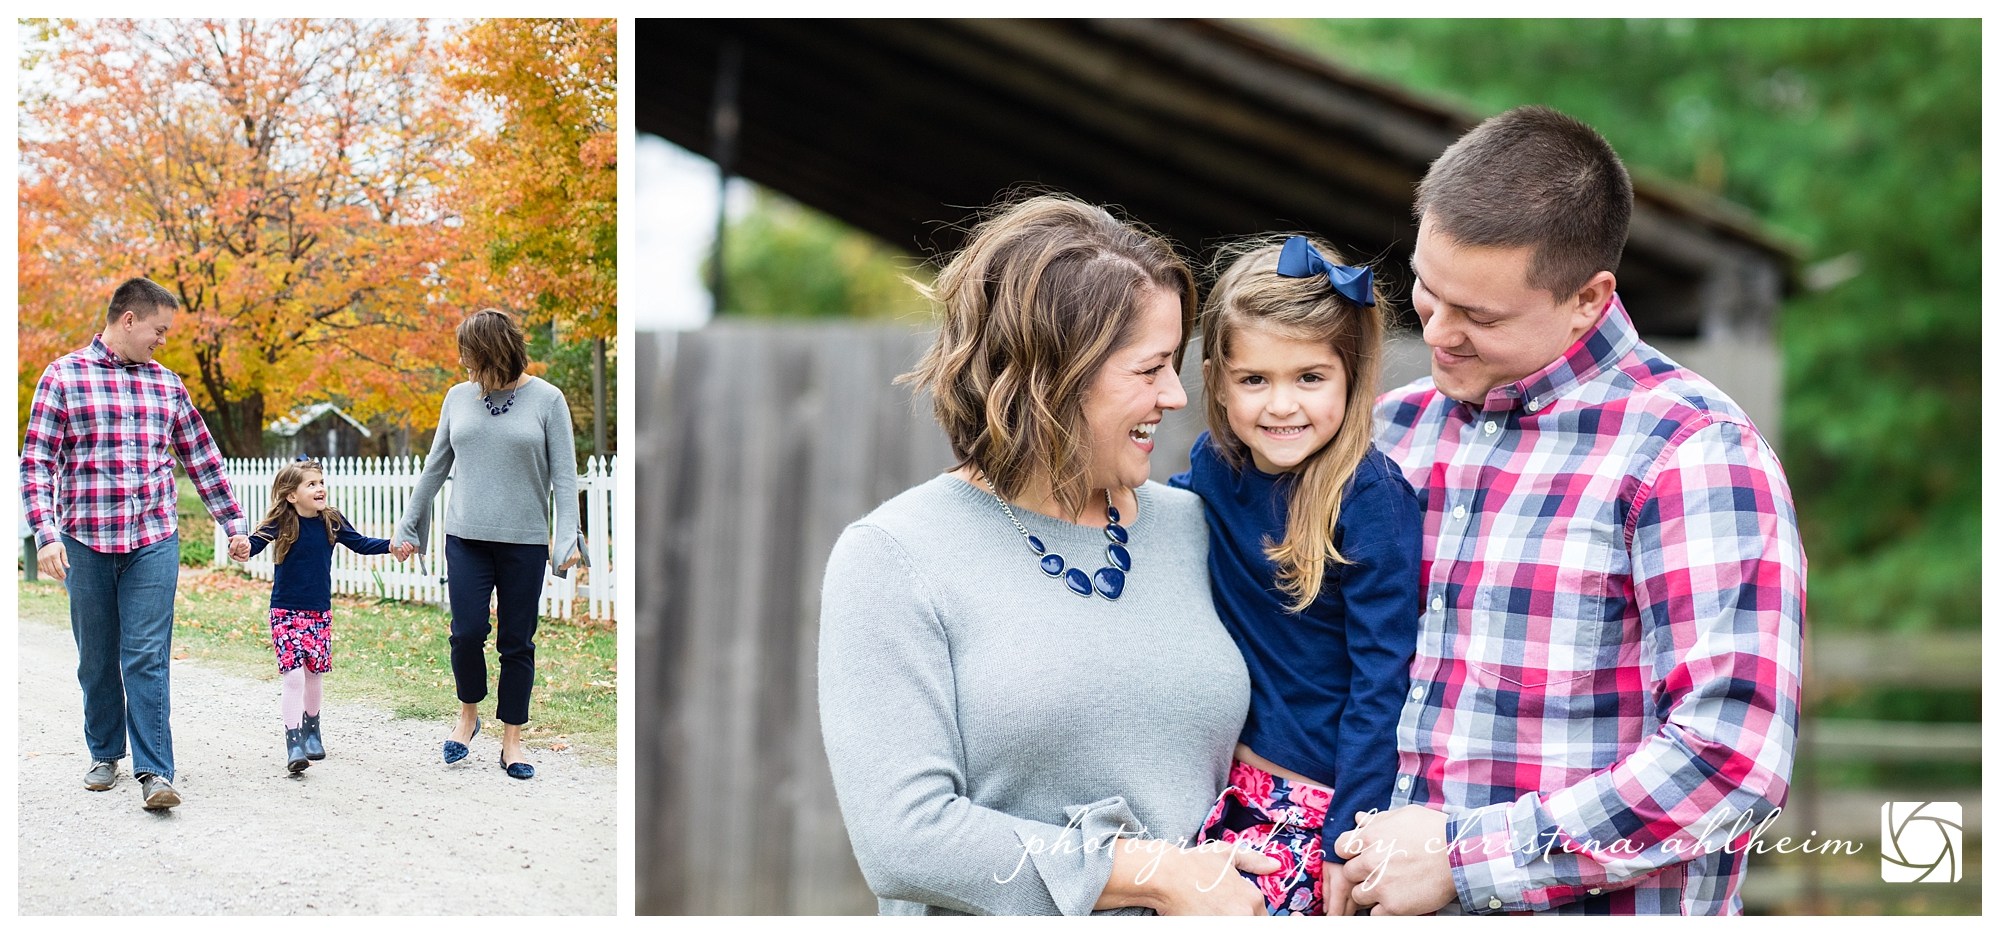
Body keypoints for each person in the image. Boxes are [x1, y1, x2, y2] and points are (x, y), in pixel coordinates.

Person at [1332, 105, 1806, 916]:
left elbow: (1730, 762)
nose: (1437, 333)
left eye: (1480, 317)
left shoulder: (1693, 454)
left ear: (1588, 299)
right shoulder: (1387, 434)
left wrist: (1463, 859)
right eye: (1428, 290)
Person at [817, 195, 1281, 915]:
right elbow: (904, 838)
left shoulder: (1200, 528)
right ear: (1052, 375)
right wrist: (1154, 873)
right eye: (1149, 367)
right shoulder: (894, 557)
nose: (1173, 394)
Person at [1170, 236, 1421, 915]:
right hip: (1217, 785)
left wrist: (1349, 837)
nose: (1281, 405)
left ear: (1352, 376)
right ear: (1219, 383)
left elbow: (1382, 679)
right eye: (1256, 380)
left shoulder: (1369, 498)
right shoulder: (1213, 471)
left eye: (1309, 378)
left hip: (1314, 803)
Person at [21, 276, 254, 810]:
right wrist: (45, 532)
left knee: (146, 654)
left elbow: (200, 456)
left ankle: (156, 771)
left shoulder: (167, 384)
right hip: (84, 541)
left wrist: (233, 524)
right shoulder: (63, 376)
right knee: (97, 656)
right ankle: (105, 753)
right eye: (159, 330)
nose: (163, 340)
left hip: (153, 537)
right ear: (129, 320)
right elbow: (35, 461)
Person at [392, 308, 583, 781]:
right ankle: (467, 717)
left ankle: (512, 743)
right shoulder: (458, 398)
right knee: (467, 632)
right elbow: (435, 466)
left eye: (468, 353)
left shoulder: (547, 399)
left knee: (517, 642)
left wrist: (567, 538)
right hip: (466, 539)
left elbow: (564, 476)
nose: (462, 363)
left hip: (523, 542)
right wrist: (408, 526)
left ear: (493, 350)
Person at [244, 456, 393, 772]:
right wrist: (241, 546)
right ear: (292, 495)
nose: (320, 488)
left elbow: (361, 544)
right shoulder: (283, 522)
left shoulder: (332, 520)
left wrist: (391, 546)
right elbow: (254, 544)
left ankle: (313, 730)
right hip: (284, 611)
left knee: (313, 673)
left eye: (321, 482)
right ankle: (293, 740)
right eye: (311, 484)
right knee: (294, 674)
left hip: (318, 613)